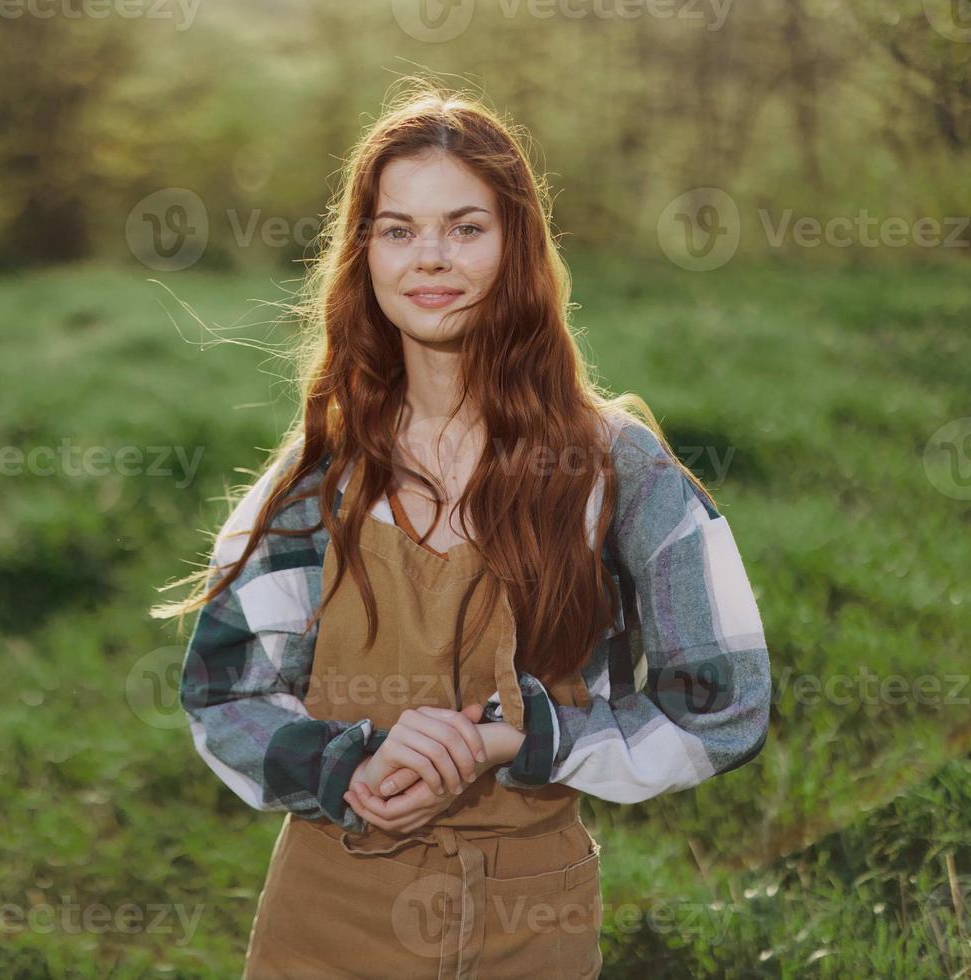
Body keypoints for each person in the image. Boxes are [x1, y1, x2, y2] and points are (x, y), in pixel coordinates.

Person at [151, 80, 771, 979]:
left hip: (533, 911)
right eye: (398, 230)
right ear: (364, 255)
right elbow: (223, 690)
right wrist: (345, 769)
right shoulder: (317, 478)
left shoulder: (613, 467)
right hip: (330, 909)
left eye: (466, 228)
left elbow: (727, 698)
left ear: (517, 246)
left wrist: (529, 740)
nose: (429, 258)